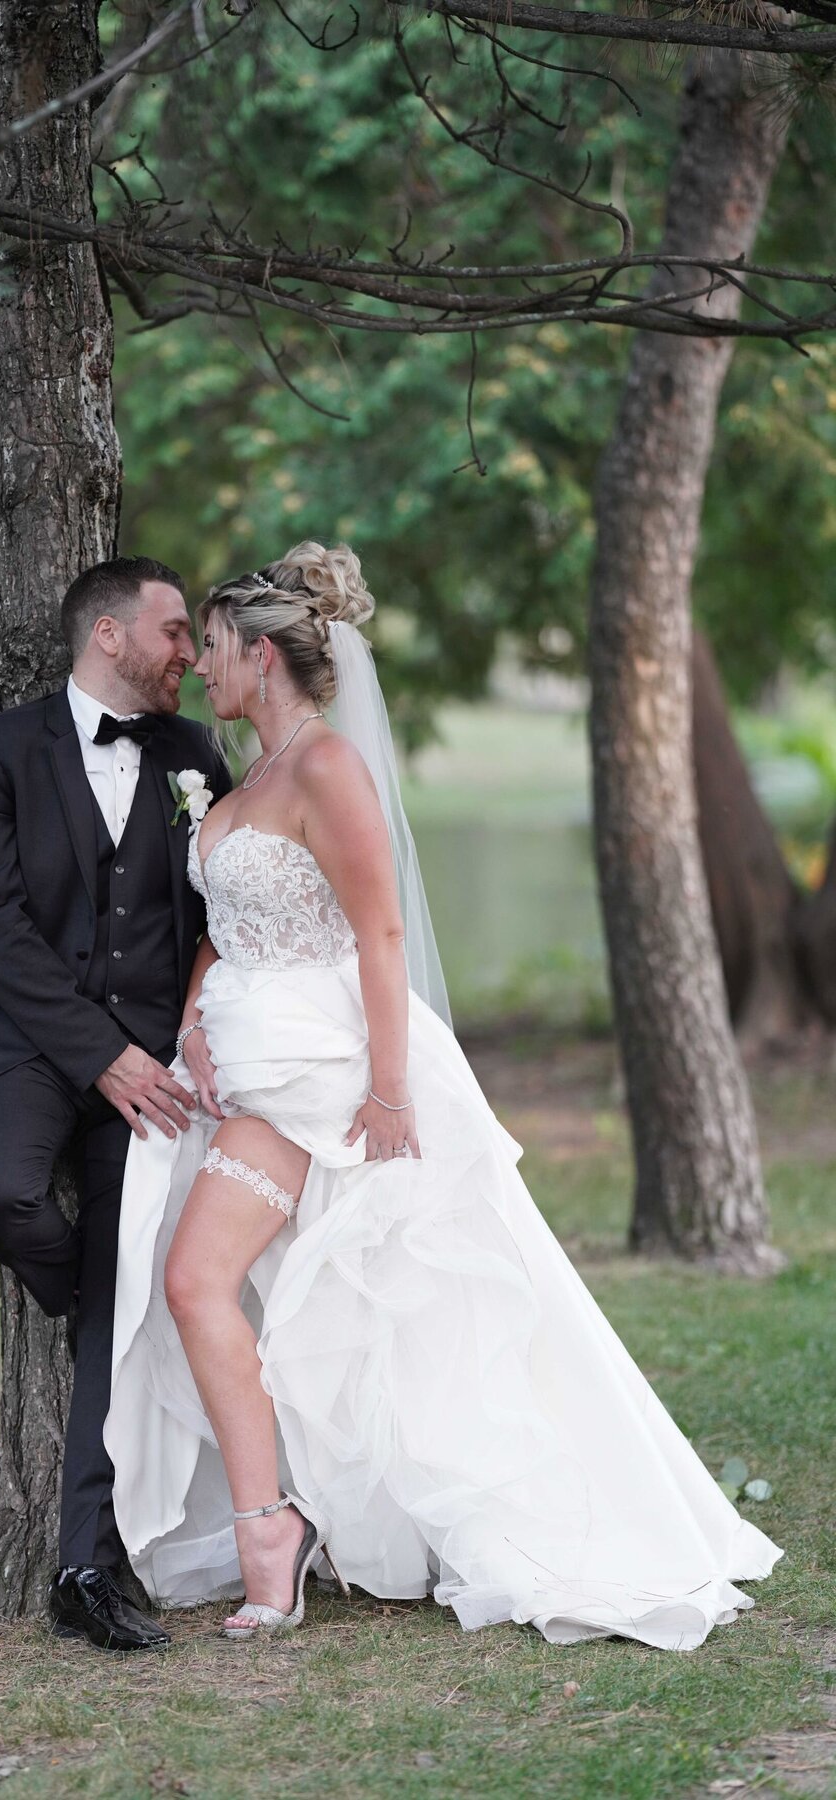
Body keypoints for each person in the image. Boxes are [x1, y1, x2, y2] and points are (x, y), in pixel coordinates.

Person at [104, 540, 783, 1650]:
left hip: (315, 1073)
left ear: (267, 656)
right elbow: (225, 930)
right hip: (245, 1063)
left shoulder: (325, 769)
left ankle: (270, 1530)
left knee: (202, 1281)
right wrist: (189, 1018)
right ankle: (284, 1519)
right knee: (289, 1304)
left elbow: (377, 928)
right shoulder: (244, 776)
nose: (202, 667)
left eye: (216, 646)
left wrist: (387, 1092)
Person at [0, 556, 230, 1653]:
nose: (187, 656)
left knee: (130, 1285)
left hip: (153, 1070)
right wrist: (100, 1052)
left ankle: (85, 1569)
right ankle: (79, 1301)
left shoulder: (196, 759)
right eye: (171, 632)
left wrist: (178, 1039)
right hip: (22, 1042)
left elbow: (220, 912)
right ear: (107, 635)